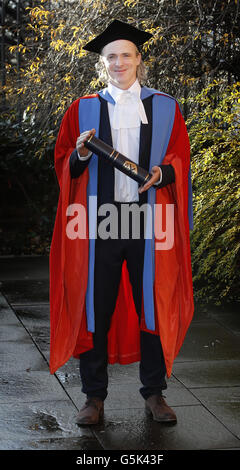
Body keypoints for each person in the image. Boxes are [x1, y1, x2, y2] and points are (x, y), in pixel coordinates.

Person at [49, 20, 194, 426]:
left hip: (150, 222)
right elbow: (64, 161)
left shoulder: (165, 105)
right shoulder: (83, 108)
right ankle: (93, 398)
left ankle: (155, 393)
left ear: (139, 60)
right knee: (96, 306)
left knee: (151, 303)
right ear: (103, 62)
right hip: (99, 224)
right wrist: (79, 154)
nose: (119, 62)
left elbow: (180, 157)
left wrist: (163, 175)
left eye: (126, 55)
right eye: (111, 56)